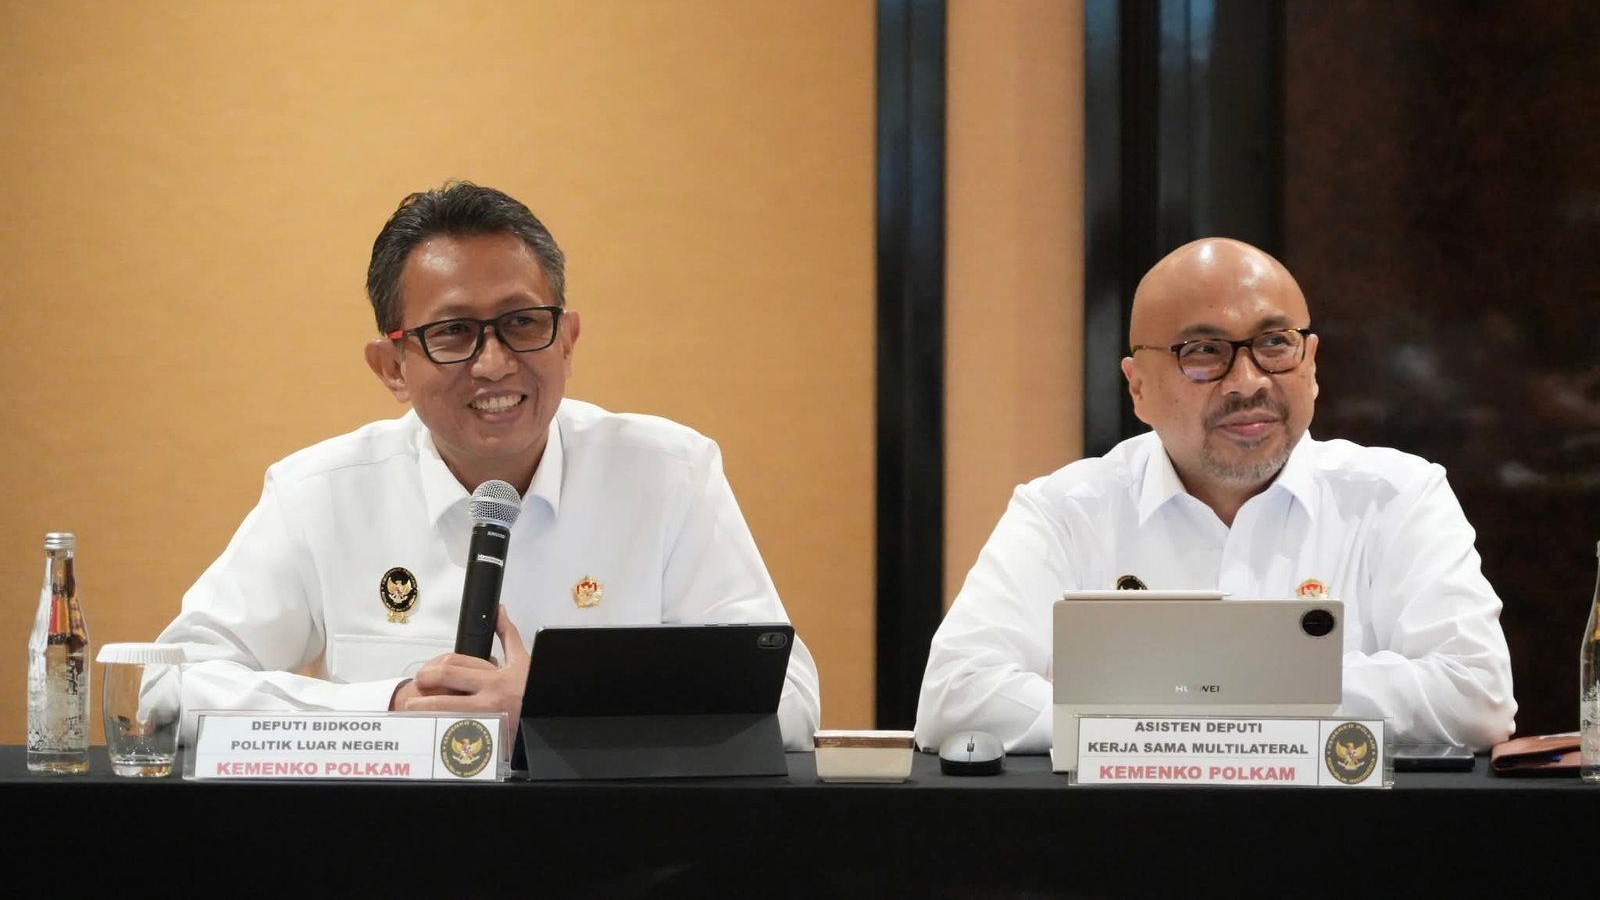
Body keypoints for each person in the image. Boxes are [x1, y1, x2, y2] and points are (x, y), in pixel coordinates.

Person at [158, 179, 821, 749]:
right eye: (453, 332)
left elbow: (788, 697)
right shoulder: (319, 494)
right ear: (391, 367)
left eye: (523, 322)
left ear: (567, 339)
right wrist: (389, 709)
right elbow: (171, 685)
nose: (495, 363)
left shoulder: (667, 475)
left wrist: (559, 705)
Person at [914, 237, 1516, 754]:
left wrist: (1163, 698)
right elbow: (956, 699)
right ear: (1138, 387)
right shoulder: (1066, 511)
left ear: (1311, 363)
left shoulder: (1397, 497)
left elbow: (1475, 696)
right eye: (1203, 352)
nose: (1248, 382)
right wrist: (1268, 700)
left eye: (1274, 343)